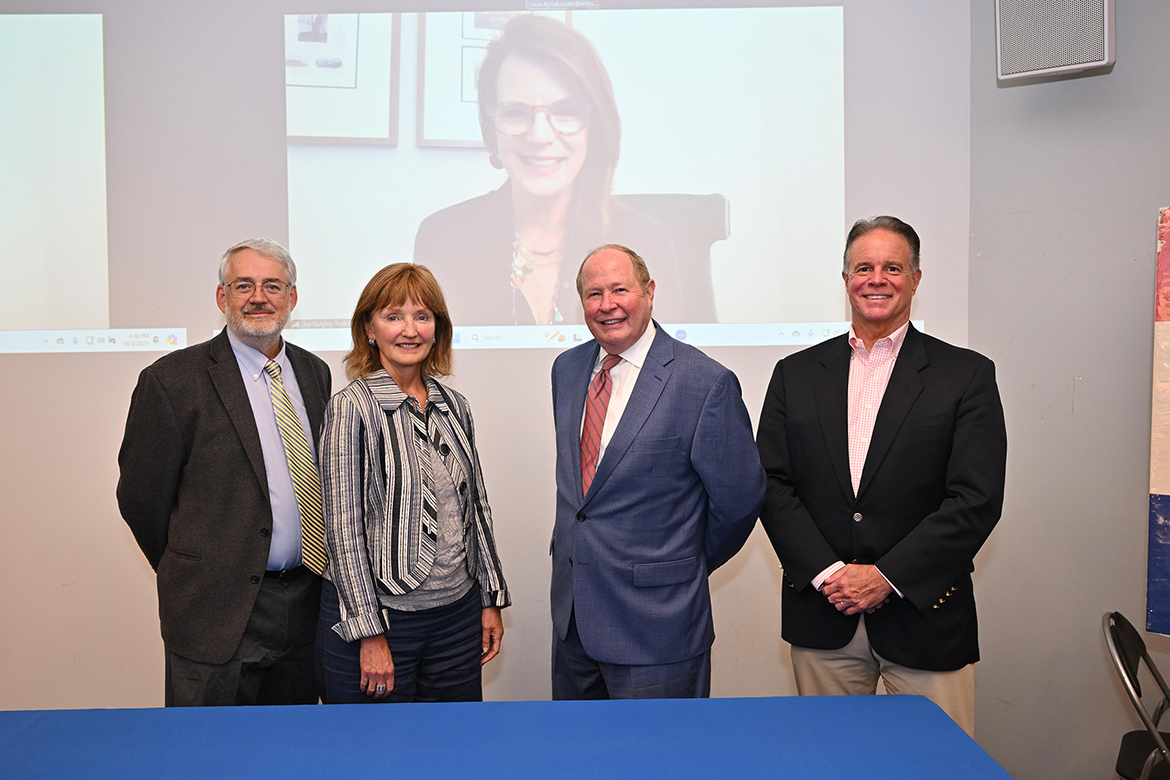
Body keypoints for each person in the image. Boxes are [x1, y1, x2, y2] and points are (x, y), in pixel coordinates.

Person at [756, 216, 1007, 735]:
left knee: (935, 769)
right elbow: (771, 484)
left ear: (915, 278)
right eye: (863, 267)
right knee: (829, 763)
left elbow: (975, 498)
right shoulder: (794, 374)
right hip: (823, 615)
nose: (877, 278)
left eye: (893, 267)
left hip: (925, 617)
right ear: (845, 278)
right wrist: (831, 575)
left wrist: (885, 576)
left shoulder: (967, 375)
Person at [117, 238, 332, 706]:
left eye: (273, 285)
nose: (259, 297)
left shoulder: (315, 373)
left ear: (291, 298)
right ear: (222, 298)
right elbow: (141, 498)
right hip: (215, 610)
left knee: (291, 752)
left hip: (305, 603)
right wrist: (196, 567)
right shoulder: (172, 380)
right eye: (243, 285)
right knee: (208, 756)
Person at [549, 244, 763, 699]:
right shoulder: (566, 369)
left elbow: (739, 501)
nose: (607, 305)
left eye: (619, 289)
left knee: (661, 764)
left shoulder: (704, 382)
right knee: (577, 763)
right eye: (593, 294)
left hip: (657, 624)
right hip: (573, 619)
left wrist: (679, 564)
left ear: (648, 292)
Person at [316, 263, 510, 703]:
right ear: (369, 328)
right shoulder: (352, 408)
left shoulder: (453, 405)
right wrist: (370, 633)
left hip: (456, 618)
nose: (410, 330)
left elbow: (475, 508)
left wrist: (489, 597)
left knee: (452, 757)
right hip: (382, 622)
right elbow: (343, 531)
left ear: (437, 329)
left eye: (423, 316)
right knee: (377, 762)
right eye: (393, 316)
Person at [414, 14, 685, 327]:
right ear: (492, 126)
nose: (540, 136)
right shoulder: (442, 238)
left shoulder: (647, 241)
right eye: (516, 112)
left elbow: (668, 369)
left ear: (594, 126)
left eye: (566, 111)